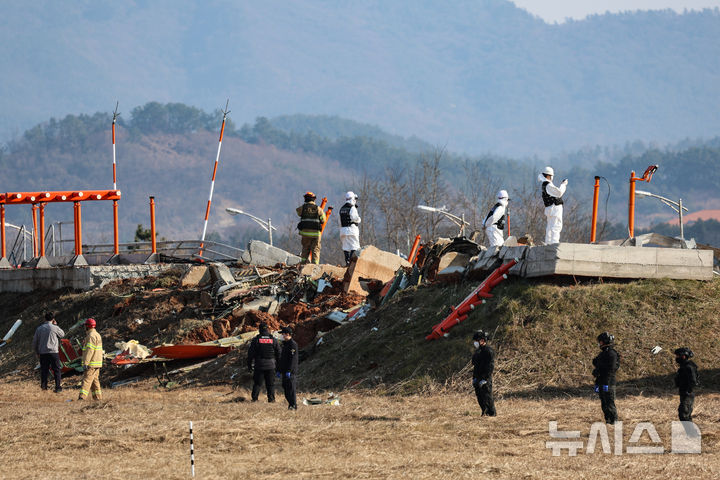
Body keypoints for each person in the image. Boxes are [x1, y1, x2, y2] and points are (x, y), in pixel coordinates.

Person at [247, 323, 281, 402]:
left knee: (257, 383)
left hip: (259, 365)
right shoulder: (273, 339)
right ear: (267, 329)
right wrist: (279, 366)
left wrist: (249, 365)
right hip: (271, 365)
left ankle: (254, 399)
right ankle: (271, 399)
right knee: (270, 384)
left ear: (260, 330)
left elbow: (250, 354)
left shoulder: (256, 340)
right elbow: (279, 353)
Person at [31, 311, 65, 392]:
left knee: (44, 370)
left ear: (44, 319)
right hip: (53, 352)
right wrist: (56, 325)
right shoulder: (55, 328)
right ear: (53, 319)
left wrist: (37, 352)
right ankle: (57, 387)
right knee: (56, 370)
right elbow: (62, 334)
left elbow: (35, 342)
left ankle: (44, 387)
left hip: (43, 353)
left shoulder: (39, 329)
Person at [592, 332, 620, 424]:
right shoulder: (603, 353)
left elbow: (611, 368)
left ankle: (614, 421)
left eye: (600, 342)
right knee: (604, 403)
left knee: (609, 402)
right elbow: (598, 363)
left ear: (604, 342)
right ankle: (608, 420)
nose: (599, 344)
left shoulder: (612, 354)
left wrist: (600, 369)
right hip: (601, 381)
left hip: (608, 382)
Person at [537, 166, 568, 244]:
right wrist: (563, 185)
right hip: (554, 209)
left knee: (550, 228)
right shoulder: (548, 185)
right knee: (556, 227)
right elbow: (559, 193)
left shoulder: (546, 184)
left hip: (551, 209)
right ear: (549, 175)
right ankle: (553, 244)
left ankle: (548, 243)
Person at [296, 191, 326, 264]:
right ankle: (314, 266)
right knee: (315, 250)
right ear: (314, 199)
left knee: (305, 249)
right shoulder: (318, 209)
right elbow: (323, 219)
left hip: (305, 233)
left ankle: (303, 265)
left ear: (305, 199)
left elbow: (298, 212)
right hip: (316, 234)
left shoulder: (302, 208)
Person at [471, 330, 496, 416]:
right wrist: (474, 378)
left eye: (476, 341)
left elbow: (490, 366)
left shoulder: (489, 351)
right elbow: (475, 366)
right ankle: (484, 412)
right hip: (477, 377)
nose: (475, 343)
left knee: (487, 396)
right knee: (480, 396)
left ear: (482, 340)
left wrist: (485, 378)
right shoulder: (477, 352)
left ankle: (492, 414)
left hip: (485, 378)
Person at [78, 318, 103, 401]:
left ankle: (82, 397)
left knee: (86, 380)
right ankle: (98, 398)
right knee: (95, 381)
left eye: (85, 325)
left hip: (91, 363)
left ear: (87, 326)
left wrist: (86, 363)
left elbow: (90, 350)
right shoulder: (97, 335)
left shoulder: (91, 336)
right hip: (97, 362)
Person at [277, 326, 299, 410]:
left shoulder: (293, 344)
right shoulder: (285, 344)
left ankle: (293, 405)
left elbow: (292, 359)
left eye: (283, 334)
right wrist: (279, 370)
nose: (282, 336)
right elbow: (282, 359)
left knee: (291, 388)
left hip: (290, 371)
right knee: (285, 388)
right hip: (284, 370)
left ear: (287, 334)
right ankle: (290, 404)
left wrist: (289, 370)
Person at [674, 347, 698, 421]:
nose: (676, 358)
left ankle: (691, 432)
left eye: (678, 356)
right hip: (684, 392)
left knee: (684, 414)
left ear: (683, 356)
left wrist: (688, 390)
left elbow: (693, 381)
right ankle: (689, 432)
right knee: (683, 413)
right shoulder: (684, 366)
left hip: (687, 393)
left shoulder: (688, 367)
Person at [339, 191, 361, 265]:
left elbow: (340, 221)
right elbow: (355, 218)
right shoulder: (352, 208)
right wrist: (359, 219)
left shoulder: (341, 209)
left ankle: (347, 262)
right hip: (352, 230)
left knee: (345, 247)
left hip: (343, 230)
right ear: (353, 198)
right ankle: (352, 263)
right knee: (354, 246)